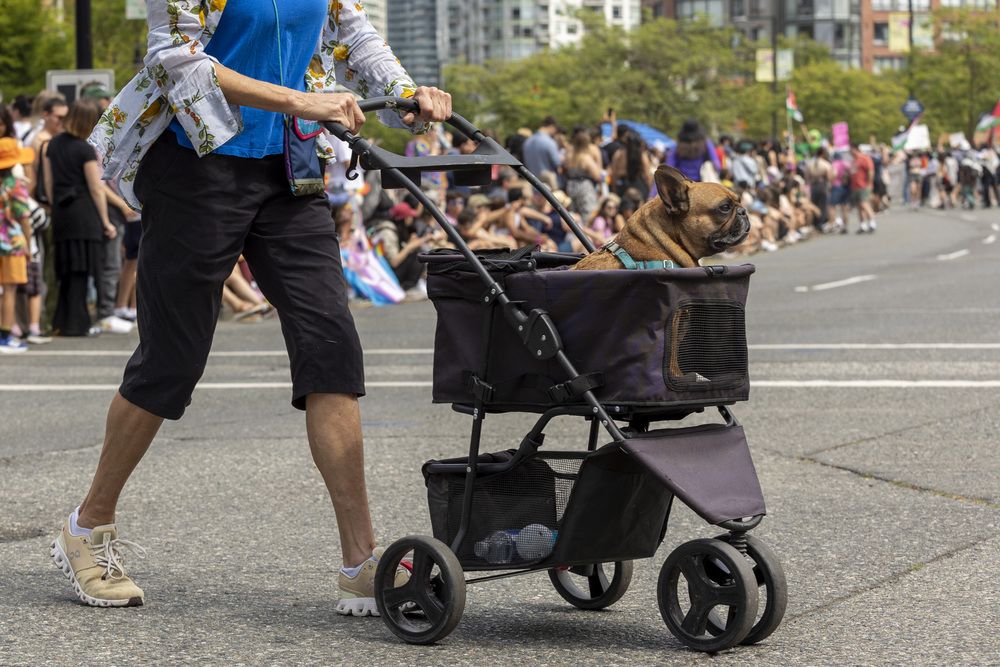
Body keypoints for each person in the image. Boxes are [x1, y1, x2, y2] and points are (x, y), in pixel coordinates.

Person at [54, 0, 451, 612]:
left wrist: (404, 92)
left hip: (290, 169)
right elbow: (177, 59)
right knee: (170, 361)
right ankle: (88, 526)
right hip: (196, 167)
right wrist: (302, 101)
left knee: (331, 348)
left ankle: (359, 561)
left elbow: (354, 34)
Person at [43, 99, 117, 337]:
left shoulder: (52, 144)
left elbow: (49, 184)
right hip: (83, 214)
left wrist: (56, 207)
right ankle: (78, 324)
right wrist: (105, 221)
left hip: (62, 212)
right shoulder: (84, 149)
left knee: (66, 272)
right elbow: (96, 188)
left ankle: (62, 320)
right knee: (82, 271)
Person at [0, 137, 35, 353]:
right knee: (10, 291)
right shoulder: (16, 185)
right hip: (12, 244)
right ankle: (4, 338)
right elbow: (24, 219)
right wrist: (29, 246)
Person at [563, 128, 601, 218]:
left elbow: (564, 169)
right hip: (584, 186)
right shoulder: (585, 158)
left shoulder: (569, 156)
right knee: (587, 212)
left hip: (571, 185)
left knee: (573, 213)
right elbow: (597, 175)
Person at [610, 132, 652, 199]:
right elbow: (647, 175)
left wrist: (614, 189)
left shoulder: (618, 154)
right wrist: (650, 191)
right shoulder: (642, 155)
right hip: (639, 186)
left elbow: (614, 174)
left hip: (623, 186)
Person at [522, 116, 562, 182]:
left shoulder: (527, 141)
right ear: (552, 126)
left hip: (532, 183)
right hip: (548, 185)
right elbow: (558, 166)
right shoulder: (550, 142)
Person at [849, 144, 876, 234]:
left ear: (856, 149)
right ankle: (862, 225)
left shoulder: (864, 158)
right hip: (855, 186)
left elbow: (870, 171)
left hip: (863, 185)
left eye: (851, 150)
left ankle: (872, 223)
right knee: (859, 207)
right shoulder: (853, 161)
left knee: (864, 203)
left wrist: (869, 183)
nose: (850, 152)